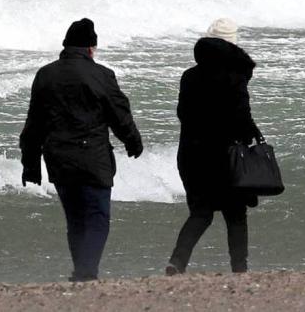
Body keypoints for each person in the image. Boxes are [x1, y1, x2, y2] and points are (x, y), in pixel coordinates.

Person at [19, 17, 143, 282]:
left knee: (75, 219)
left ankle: (81, 270)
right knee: (97, 217)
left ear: (66, 46)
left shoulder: (45, 74)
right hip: (93, 158)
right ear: (90, 48)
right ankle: (87, 273)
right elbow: (119, 114)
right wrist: (132, 141)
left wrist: (30, 164)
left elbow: (34, 125)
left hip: (59, 159)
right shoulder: (101, 75)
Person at [166, 17, 261, 275]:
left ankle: (177, 261)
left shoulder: (189, 76)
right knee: (235, 215)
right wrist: (253, 136)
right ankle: (239, 269)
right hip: (225, 156)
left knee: (201, 213)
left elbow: (182, 114)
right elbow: (241, 115)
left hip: (192, 154)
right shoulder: (235, 76)